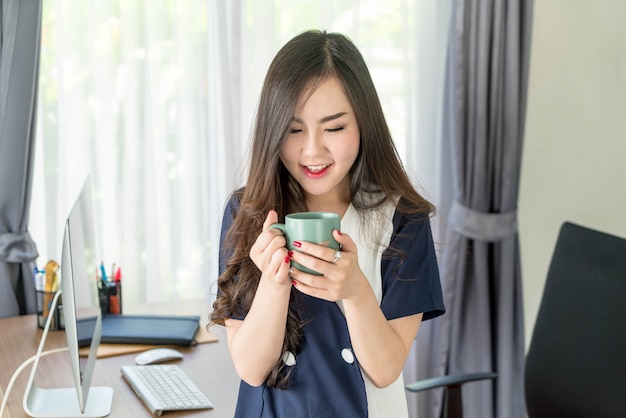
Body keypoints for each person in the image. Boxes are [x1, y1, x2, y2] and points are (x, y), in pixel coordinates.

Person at [210, 29, 445, 417]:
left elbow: (386, 369)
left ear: (364, 124)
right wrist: (273, 281)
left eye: (334, 128)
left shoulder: (402, 217)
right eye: (293, 129)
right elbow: (251, 368)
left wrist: (355, 292)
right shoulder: (247, 213)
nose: (312, 150)